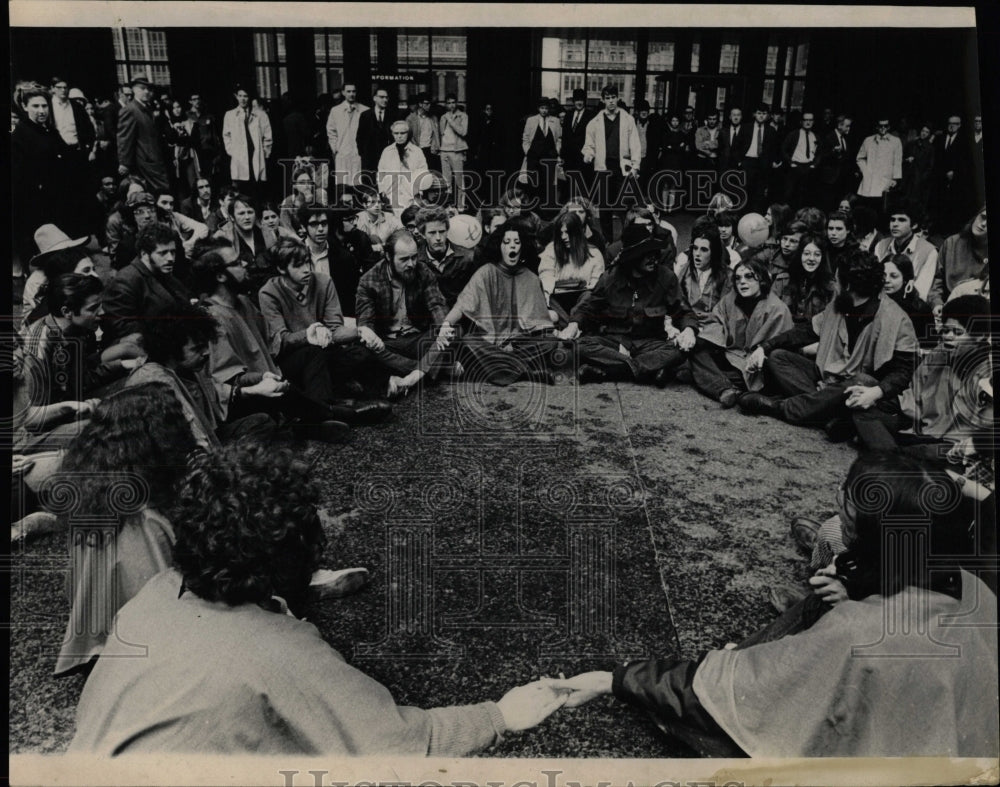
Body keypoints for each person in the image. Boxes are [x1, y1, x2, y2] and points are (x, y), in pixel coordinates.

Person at [68, 441, 567, 755]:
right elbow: (404, 745)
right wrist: (501, 715)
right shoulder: (281, 648)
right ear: (295, 555)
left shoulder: (151, 599)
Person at [548, 452, 998, 758]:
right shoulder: (976, 588)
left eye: (847, 500)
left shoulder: (857, 630)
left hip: (873, 750)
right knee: (816, 601)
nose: (838, 502)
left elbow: (726, 697)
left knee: (719, 714)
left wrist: (618, 679)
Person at [51, 383, 198, 676]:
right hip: (141, 648)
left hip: (101, 641)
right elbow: (164, 606)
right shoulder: (143, 519)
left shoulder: (97, 492)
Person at [740, 248, 917, 443]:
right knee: (778, 357)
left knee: (862, 380)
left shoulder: (897, 318)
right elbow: (805, 332)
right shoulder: (839, 304)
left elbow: (904, 372)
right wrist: (764, 347)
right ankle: (828, 413)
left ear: (847, 284)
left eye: (837, 278)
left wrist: (876, 392)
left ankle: (780, 408)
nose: (835, 283)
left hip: (866, 391)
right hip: (828, 378)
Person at [189, 238, 353, 442]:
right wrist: (263, 379)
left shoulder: (243, 302)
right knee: (280, 391)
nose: (245, 265)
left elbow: (273, 344)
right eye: (237, 263)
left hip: (270, 371)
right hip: (251, 390)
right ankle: (330, 414)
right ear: (220, 275)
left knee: (312, 353)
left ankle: (317, 417)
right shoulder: (212, 316)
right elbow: (229, 382)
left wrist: (306, 336)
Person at [258, 238, 394, 410]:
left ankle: (343, 391)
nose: (306, 269)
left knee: (361, 352)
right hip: (294, 360)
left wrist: (360, 331)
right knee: (313, 354)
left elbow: (335, 329)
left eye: (307, 262)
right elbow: (281, 341)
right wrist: (309, 335)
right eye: (298, 265)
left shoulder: (323, 282)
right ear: (281, 268)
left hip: (325, 351)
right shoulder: (268, 293)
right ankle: (325, 410)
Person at [562, 224, 697, 387]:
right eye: (646, 254)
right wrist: (573, 324)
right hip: (614, 342)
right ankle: (650, 369)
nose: (653, 258)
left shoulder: (666, 278)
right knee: (578, 346)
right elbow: (588, 306)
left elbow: (683, 311)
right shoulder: (610, 278)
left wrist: (689, 330)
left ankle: (611, 372)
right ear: (633, 257)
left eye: (654, 252)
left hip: (650, 342)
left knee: (678, 352)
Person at [856, 294, 992, 453]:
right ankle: (892, 453)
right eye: (946, 330)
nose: (948, 336)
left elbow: (986, 429)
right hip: (919, 426)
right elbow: (914, 394)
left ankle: (889, 452)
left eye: (957, 332)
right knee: (863, 412)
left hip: (952, 443)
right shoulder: (940, 352)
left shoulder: (988, 373)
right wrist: (876, 400)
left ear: (980, 336)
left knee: (926, 453)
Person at [436, 221, 558, 386]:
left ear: (523, 247)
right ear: (499, 247)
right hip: (489, 342)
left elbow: (539, 323)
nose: (512, 247)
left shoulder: (531, 277)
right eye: (506, 242)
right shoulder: (486, 272)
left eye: (517, 242)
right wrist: (446, 324)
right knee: (469, 342)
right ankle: (525, 373)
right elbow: (462, 305)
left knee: (550, 342)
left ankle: (500, 369)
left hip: (519, 344)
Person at [355, 229, 451, 395]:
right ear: (388, 257)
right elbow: (365, 320)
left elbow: (436, 303)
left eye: (414, 257)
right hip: (388, 344)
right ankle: (437, 369)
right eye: (404, 259)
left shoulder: (423, 272)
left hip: (417, 339)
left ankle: (411, 377)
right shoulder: (369, 280)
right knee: (362, 352)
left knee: (451, 330)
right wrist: (368, 333)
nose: (411, 264)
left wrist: (443, 327)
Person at [687, 259, 793, 408]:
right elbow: (715, 320)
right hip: (730, 354)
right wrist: (716, 338)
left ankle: (713, 382)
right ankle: (724, 387)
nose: (742, 282)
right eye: (738, 278)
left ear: (761, 278)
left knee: (694, 368)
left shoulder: (778, 309)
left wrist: (759, 355)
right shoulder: (730, 299)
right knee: (696, 348)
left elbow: (781, 344)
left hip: (755, 367)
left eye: (749, 276)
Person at [102, 221, 193, 343]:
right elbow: (122, 328)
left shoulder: (164, 272)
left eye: (173, 252)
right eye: (163, 253)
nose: (170, 258)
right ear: (144, 254)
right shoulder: (125, 281)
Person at [582, 85, 642, 240]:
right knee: (605, 206)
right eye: (607, 98)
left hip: (622, 168)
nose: (611, 101)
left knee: (624, 205)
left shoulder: (628, 119)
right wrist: (588, 154)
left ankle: (627, 238)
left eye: (613, 97)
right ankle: (608, 239)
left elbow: (635, 144)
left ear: (618, 98)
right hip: (603, 168)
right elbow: (589, 144)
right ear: (603, 100)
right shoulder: (594, 122)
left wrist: (635, 166)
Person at [537, 212, 605, 326]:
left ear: (577, 232)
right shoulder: (551, 250)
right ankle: (571, 326)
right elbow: (545, 277)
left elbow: (596, 286)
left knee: (588, 296)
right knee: (546, 297)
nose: (563, 237)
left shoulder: (594, 254)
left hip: (582, 302)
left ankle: (571, 324)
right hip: (557, 299)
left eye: (568, 233)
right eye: (561, 233)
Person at [415, 206, 482, 307]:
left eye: (442, 232)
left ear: (447, 231)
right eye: (432, 233)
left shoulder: (468, 257)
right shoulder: (416, 260)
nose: (438, 238)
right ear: (423, 234)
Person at [872, 198, 938, 300]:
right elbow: (875, 280)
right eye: (892, 219)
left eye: (901, 220)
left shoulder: (929, 251)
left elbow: (921, 292)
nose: (895, 224)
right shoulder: (881, 245)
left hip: (910, 305)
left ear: (914, 225)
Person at [928, 205, 988, 314]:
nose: (983, 224)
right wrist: (937, 304)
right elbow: (937, 282)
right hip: (948, 306)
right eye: (983, 217)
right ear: (976, 216)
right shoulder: (951, 243)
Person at [214, 193, 278, 295]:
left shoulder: (267, 233)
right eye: (241, 213)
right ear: (232, 217)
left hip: (271, 291)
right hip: (242, 294)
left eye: (250, 212)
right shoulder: (224, 236)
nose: (247, 217)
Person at [116, 76, 171, 192]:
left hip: (155, 159)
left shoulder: (149, 108)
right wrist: (124, 162)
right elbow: (124, 137)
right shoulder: (130, 110)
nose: (146, 92)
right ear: (134, 90)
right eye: (142, 88)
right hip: (145, 161)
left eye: (149, 89)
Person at [673, 223, 732, 333]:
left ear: (713, 252)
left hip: (715, 328)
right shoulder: (685, 270)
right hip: (687, 324)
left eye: (704, 250)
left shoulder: (727, 275)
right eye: (695, 248)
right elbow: (678, 303)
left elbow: (726, 311)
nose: (697, 254)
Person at [222, 85, 272, 199]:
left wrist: (264, 154)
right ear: (236, 97)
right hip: (239, 157)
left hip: (255, 155)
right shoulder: (230, 115)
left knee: (257, 189)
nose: (243, 99)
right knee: (239, 189)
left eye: (245, 96)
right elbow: (226, 136)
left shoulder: (260, 115)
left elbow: (268, 137)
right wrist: (232, 152)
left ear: (249, 98)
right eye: (240, 96)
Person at [782, 233, 837, 325]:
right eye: (807, 254)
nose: (811, 258)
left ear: (822, 258)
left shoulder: (831, 287)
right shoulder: (783, 280)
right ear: (800, 255)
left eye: (817, 254)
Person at [747, 218, 806, 300]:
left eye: (793, 241)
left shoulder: (805, 260)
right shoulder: (771, 253)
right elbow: (749, 264)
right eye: (784, 239)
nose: (786, 244)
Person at [377, 120, 428, 213]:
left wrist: (419, 192)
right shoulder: (387, 151)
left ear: (408, 134)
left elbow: (423, 172)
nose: (399, 136)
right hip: (391, 194)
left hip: (411, 195)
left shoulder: (417, 151)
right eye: (396, 133)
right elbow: (381, 172)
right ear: (392, 134)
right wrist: (382, 190)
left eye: (402, 133)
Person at [855, 117, 902, 216]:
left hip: (885, 180)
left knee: (882, 208)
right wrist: (865, 171)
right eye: (880, 126)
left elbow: (898, 161)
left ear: (889, 127)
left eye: (886, 126)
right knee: (867, 207)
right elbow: (860, 158)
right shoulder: (868, 140)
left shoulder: (896, 141)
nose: (883, 128)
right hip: (870, 181)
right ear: (877, 127)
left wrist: (895, 179)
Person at [521, 96, 561, 205]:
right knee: (533, 184)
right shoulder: (531, 120)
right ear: (538, 108)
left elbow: (559, 139)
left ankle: (545, 210)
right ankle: (533, 209)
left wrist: (556, 151)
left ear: (549, 109)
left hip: (549, 158)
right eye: (542, 108)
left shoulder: (555, 121)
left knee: (547, 184)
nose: (544, 110)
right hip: (533, 158)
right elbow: (525, 138)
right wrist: (528, 152)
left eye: (546, 108)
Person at [326, 83, 367, 188]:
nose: (351, 94)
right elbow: (331, 131)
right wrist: (335, 148)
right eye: (348, 91)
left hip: (358, 154)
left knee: (357, 184)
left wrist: (364, 150)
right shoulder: (335, 111)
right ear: (343, 93)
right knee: (342, 185)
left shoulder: (365, 110)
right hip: (342, 153)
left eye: (353, 91)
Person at [356, 84, 396, 179]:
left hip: (388, 158)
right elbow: (359, 137)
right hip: (369, 159)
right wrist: (364, 154)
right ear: (374, 98)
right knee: (370, 185)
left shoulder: (393, 115)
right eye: (382, 97)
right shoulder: (365, 115)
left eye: (386, 97)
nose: (385, 100)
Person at [438, 93, 469, 211]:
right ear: (446, 104)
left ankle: (461, 206)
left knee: (459, 180)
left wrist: (450, 120)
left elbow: (463, 132)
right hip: (444, 150)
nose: (451, 105)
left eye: (453, 102)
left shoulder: (463, 116)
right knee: (446, 181)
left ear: (456, 103)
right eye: (449, 103)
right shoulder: (443, 117)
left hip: (457, 151)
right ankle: (449, 205)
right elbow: (441, 133)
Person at [353, 186, 404, 255]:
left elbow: (403, 232)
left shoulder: (389, 217)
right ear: (365, 205)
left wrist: (387, 245)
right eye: (373, 202)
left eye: (379, 202)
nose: (377, 205)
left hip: (385, 255)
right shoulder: (357, 219)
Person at [901, 122, 935, 216]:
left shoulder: (930, 148)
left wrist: (922, 178)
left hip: (920, 180)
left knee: (916, 202)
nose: (924, 133)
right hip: (908, 178)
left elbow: (930, 166)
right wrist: (907, 160)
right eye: (923, 131)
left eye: (926, 132)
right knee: (905, 200)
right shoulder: (911, 144)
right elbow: (901, 158)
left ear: (929, 134)